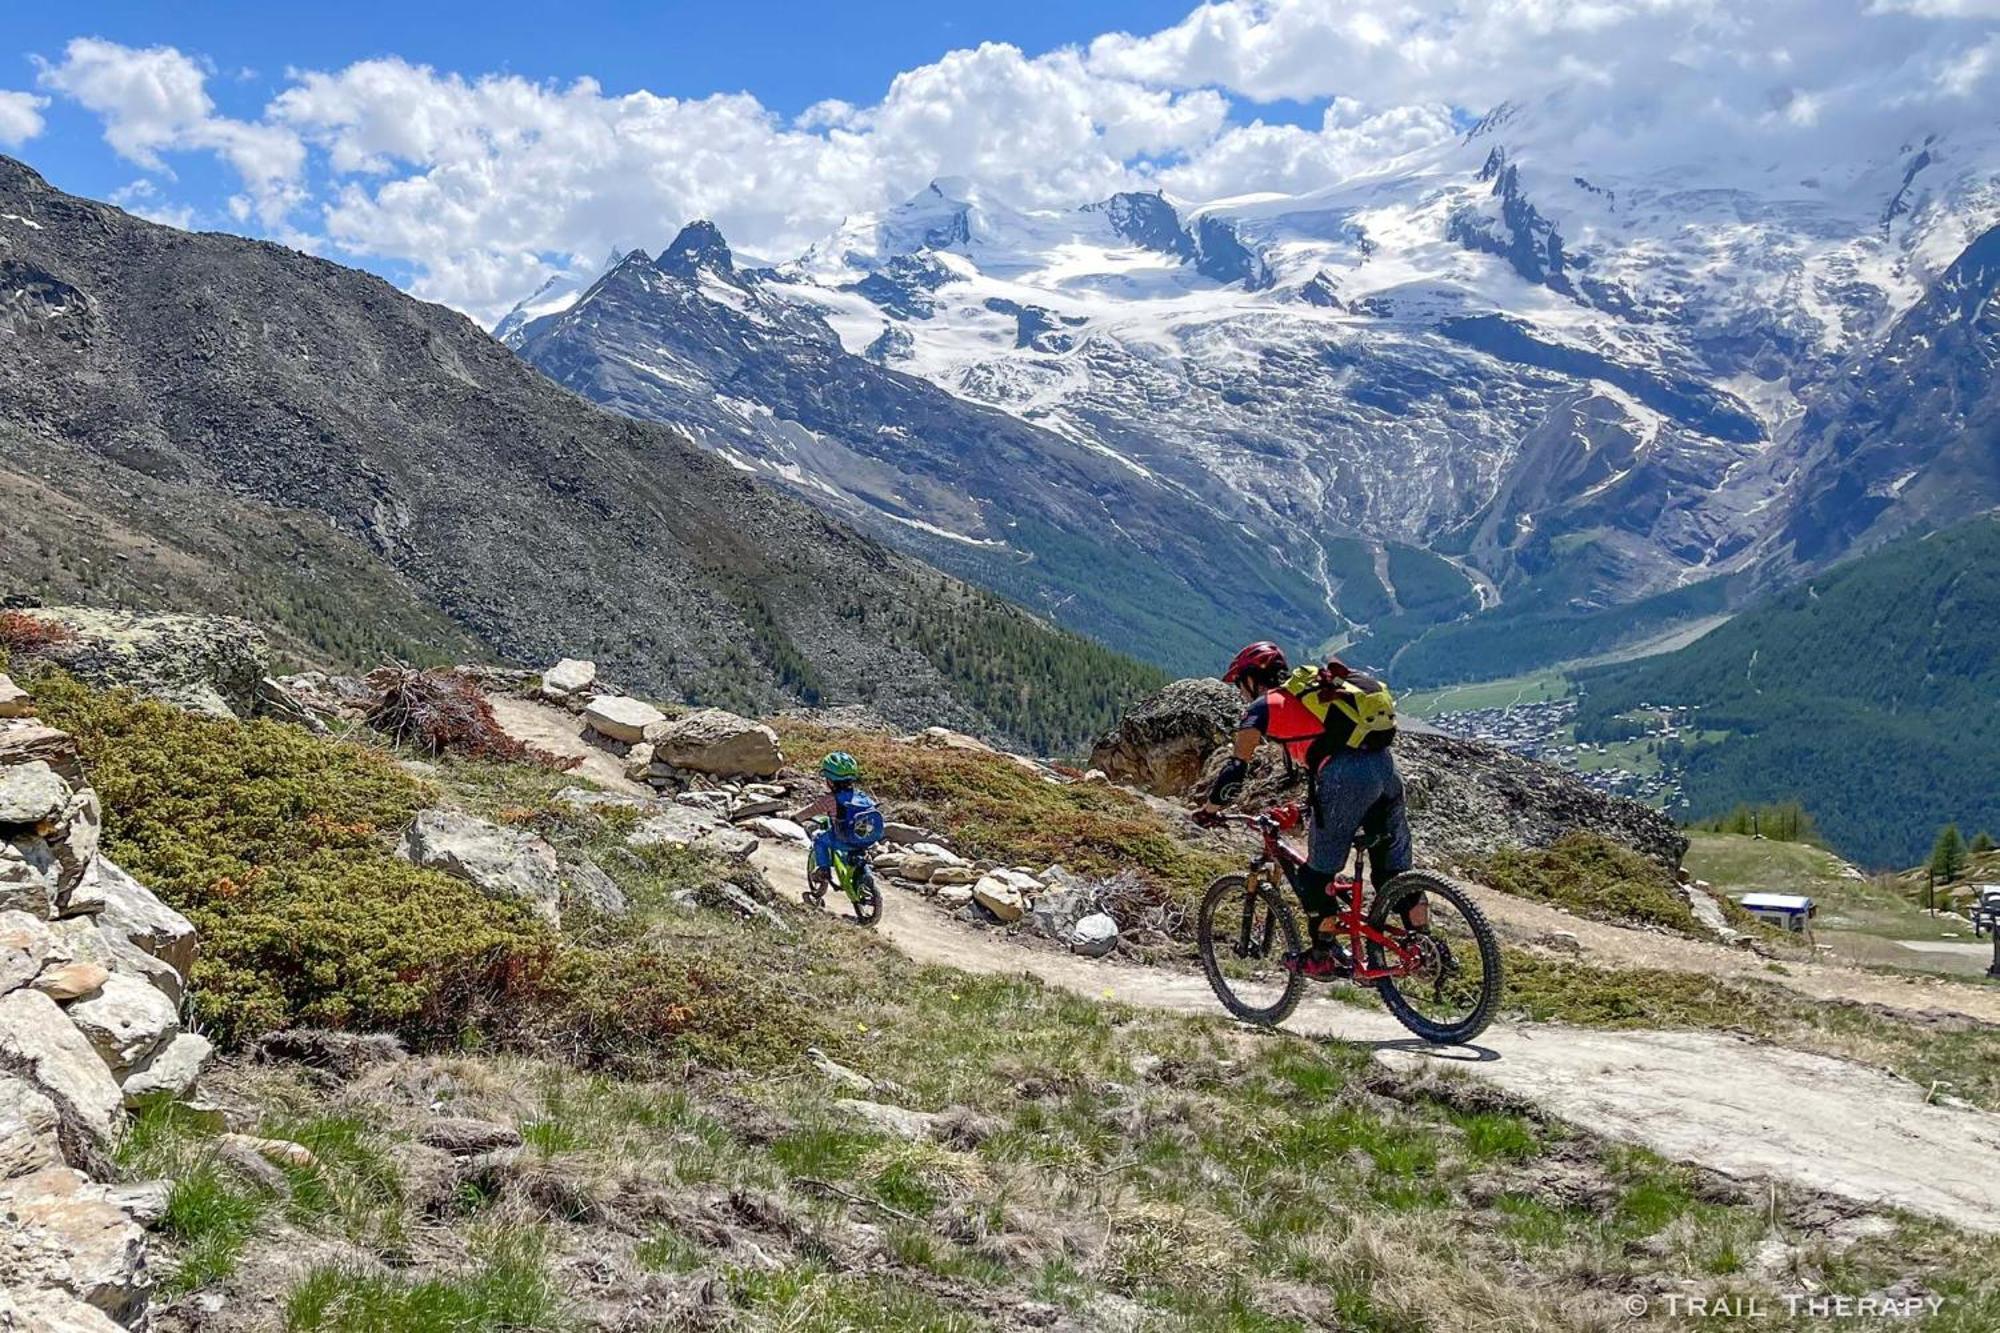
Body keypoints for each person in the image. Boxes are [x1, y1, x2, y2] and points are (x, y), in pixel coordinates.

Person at [1198, 640, 1422, 978]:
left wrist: (1211, 808)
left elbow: (1235, 770)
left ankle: (1323, 955)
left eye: (1240, 683)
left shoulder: (1264, 706)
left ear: (1251, 678)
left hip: (1345, 777)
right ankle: (1427, 946)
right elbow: (1326, 751)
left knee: (1316, 876)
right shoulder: (1315, 690)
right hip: (1385, 768)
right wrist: (1306, 808)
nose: (1241, 693)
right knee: (1394, 874)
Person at [789, 750, 886, 902]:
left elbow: (810, 811)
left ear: (830, 781)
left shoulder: (830, 799)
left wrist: (795, 817)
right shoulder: (861, 796)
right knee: (853, 852)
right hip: (866, 839)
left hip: (844, 839)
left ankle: (824, 871)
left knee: (820, 839)